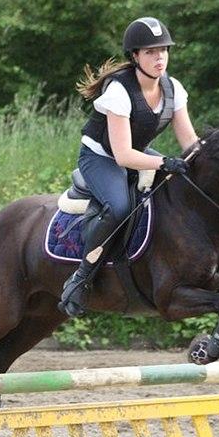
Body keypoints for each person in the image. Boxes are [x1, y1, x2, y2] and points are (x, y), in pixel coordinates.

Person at [58, 17, 200, 317]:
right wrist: (164, 162)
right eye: (150, 52)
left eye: (163, 50)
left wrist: (211, 160)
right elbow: (122, 156)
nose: (159, 57)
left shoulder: (173, 88)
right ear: (135, 56)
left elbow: (190, 141)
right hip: (101, 157)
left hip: (138, 152)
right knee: (120, 206)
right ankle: (80, 279)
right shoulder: (119, 91)